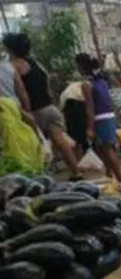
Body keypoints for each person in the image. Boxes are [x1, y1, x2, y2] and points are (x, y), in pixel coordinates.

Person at [3, 33, 82, 179]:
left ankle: (42, 176)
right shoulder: (36, 63)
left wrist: (26, 112)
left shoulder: (14, 66)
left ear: (10, 50)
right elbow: (47, 85)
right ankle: (76, 172)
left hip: (35, 110)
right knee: (60, 141)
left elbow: (22, 91)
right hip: (49, 107)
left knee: (35, 143)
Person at [75, 53, 121, 186]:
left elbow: (89, 108)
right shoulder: (102, 81)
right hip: (109, 116)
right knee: (107, 149)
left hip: (99, 118)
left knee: (107, 150)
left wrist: (90, 128)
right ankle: (110, 175)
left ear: (80, 66)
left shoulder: (86, 84)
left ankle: (120, 179)